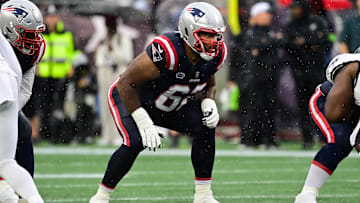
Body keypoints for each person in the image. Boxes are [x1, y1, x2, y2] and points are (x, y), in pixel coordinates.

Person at [89, 2, 227, 203]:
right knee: (135, 142)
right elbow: (126, 83)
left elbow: (207, 79)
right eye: (207, 34)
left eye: (217, 35)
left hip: (169, 105)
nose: (214, 41)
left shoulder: (217, 54)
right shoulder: (168, 51)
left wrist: (208, 101)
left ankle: (204, 196)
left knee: (205, 127)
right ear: (189, 32)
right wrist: (144, 122)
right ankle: (101, 197)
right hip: (132, 98)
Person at [294, 50, 360, 203]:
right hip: (327, 103)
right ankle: (306, 194)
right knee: (339, 141)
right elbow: (333, 114)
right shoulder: (352, 68)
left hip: (354, 109)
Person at [0, 0, 45, 202]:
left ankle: (26, 195)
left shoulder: (36, 49)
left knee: (23, 129)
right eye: (29, 34)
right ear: (8, 29)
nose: (36, 39)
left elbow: (25, 86)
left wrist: (8, 116)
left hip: (7, 91)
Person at [285, 0, 329, 149]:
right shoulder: (291, 25)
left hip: (316, 71)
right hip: (299, 73)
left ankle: (323, 136)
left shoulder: (317, 21)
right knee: (303, 106)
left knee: (320, 104)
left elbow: (324, 41)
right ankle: (307, 138)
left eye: (297, 8)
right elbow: (288, 44)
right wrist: (309, 44)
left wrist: (303, 42)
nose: (295, 11)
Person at [238, 1, 282, 148]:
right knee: (252, 108)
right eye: (266, 14)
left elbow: (275, 43)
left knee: (270, 109)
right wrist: (269, 42)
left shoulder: (270, 31)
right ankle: (249, 139)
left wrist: (266, 43)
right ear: (257, 15)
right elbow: (255, 46)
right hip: (253, 77)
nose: (269, 17)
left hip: (270, 77)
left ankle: (268, 139)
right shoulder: (250, 32)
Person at [35, 4, 77, 143]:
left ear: (58, 18)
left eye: (54, 17)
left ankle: (57, 134)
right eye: (49, 17)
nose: (52, 20)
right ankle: (44, 133)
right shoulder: (40, 34)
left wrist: (71, 66)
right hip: (44, 76)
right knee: (43, 106)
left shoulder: (66, 34)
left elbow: (72, 53)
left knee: (59, 106)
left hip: (61, 75)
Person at [95, 15, 133, 146]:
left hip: (118, 71)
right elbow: (99, 60)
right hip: (104, 71)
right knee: (104, 103)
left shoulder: (123, 39)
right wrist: (102, 49)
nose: (110, 30)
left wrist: (114, 51)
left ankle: (118, 134)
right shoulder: (102, 40)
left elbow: (127, 58)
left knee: (118, 103)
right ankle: (106, 135)